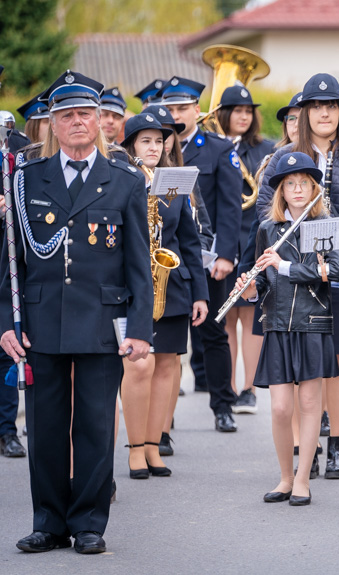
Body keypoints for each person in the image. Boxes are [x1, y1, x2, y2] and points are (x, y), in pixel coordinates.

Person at [1, 70, 152, 554]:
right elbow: (10, 263)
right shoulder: (26, 180)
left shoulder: (125, 180)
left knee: (93, 424)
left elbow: (138, 264)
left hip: (101, 323)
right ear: (51, 125)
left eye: (85, 113)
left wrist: (142, 329)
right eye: (65, 116)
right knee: (44, 426)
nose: (77, 122)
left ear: (102, 121)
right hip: (42, 322)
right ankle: (48, 520)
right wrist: (6, 322)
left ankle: (88, 522)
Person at [258, 73, 339, 480]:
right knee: (295, 366)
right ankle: (298, 451)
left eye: (332, 106)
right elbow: (264, 210)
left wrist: (327, 230)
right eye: (316, 106)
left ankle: (336, 446)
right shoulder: (283, 158)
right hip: (290, 278)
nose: (324, 112)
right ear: (303, 113)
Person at [237, 151, 339, 506]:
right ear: (281, 191)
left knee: (311, 403)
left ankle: (302, 479)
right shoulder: (268, 229)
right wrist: (252, 290)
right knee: (281, 408)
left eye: (303, 184)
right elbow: (266, 283)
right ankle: (284, 476)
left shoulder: (327, 224)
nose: (297, 190)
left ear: (313, 187)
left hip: (312, 323)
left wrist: (284, 267)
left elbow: (334, 272)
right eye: (290, 185)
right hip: (278, 325)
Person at [118, 112, 209, 479]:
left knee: (167, 367)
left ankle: (155, 446)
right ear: (131, 147)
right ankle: (135, 447)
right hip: (131, 289)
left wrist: (200, 294)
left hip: (171, 285)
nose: (155, 147)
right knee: (140, 366)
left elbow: (189, 239)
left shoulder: (172, 182)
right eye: (145, 141)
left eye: (159, 141)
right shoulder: (120, 180)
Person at [161, 76, 244, 433]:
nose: (177, 115)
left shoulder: (218, 148)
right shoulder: (153, 146)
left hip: (208, 261)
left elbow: (229, 207)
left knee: (213, 335)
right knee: (165, 343)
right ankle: (162, 416)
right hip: (165, 263)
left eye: (183, 108)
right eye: (171, 109)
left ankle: (223, 404)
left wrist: (226, 254)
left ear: (198, 110)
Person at [214, 85, 275, 416]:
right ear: (224, 113)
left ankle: (250, 388)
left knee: (251, 315)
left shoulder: (265, 148)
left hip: (252, 238)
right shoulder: (213, 147)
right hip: (222, 242)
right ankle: (231, 387)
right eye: (237, 110)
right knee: (227, 316)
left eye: (248, 111)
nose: (243, 116)